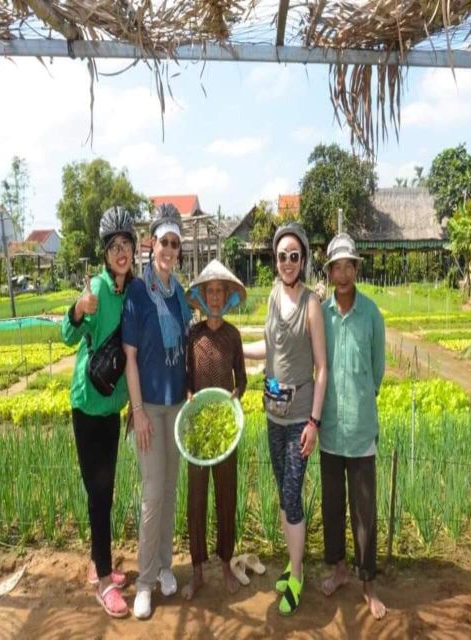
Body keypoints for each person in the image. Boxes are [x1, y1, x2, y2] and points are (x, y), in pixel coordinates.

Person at [242, 222, 327, 615]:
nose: (288, 262)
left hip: (298, 419)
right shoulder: (275, 296)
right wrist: (235, 348)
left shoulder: (311, 304)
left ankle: (297, 574)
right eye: (282, 256)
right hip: (273, 415)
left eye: (295, 256)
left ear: (303, 259)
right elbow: (270, 348)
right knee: (283, 492)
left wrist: (314, 423)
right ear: (274, 261)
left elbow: (321, 368)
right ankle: (294, 565)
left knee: (292, 496)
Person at [61, 206, 136, 618]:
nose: (121, 252)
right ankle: (104, 583)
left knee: (104, 493)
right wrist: (77, 309)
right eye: (114, 247)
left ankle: (97, 564)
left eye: (126, 244)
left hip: (112, 408)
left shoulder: (132, 292)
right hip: (88, 406)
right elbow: (67, 335)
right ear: (106, 254)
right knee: (99, 493)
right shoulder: (97, 290)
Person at [122, 203, 192, 620]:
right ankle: (145, 581)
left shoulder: (179, 292)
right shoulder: (138, 292)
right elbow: (130, 357)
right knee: (152, 494)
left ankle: (166, 565)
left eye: (174, 244)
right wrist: (138, 412)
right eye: (163, 242)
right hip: (148, 407)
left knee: (169, 490)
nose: (168, 249)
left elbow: (186, 346)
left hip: (176, 406)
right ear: (151, 246)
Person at [319, 232, 386, 620]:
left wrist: (361, 400)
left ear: (356, 270)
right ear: (329, 273)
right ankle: (339, 570)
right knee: (332, 507)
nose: (342, 274)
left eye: (348, 266)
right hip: (329, 430)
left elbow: (377, 370)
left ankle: (368, 583)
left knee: (364, 511)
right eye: (336, 267)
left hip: (360, 430)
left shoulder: (371, 314)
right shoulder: (321, 314)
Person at [181, 259, 248, 601]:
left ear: (227, 296)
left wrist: (235, 397)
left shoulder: (233, 336)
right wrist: (191, 396)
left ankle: (225, 562)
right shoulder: (193, 335)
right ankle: (196, 570)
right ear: (203, 297)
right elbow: (186, 381)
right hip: (197, 431)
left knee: (226, 495)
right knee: (196, 499)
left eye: (221, 291)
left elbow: (244, 380)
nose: (216, 296)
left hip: (224, 430)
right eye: (211, 291)